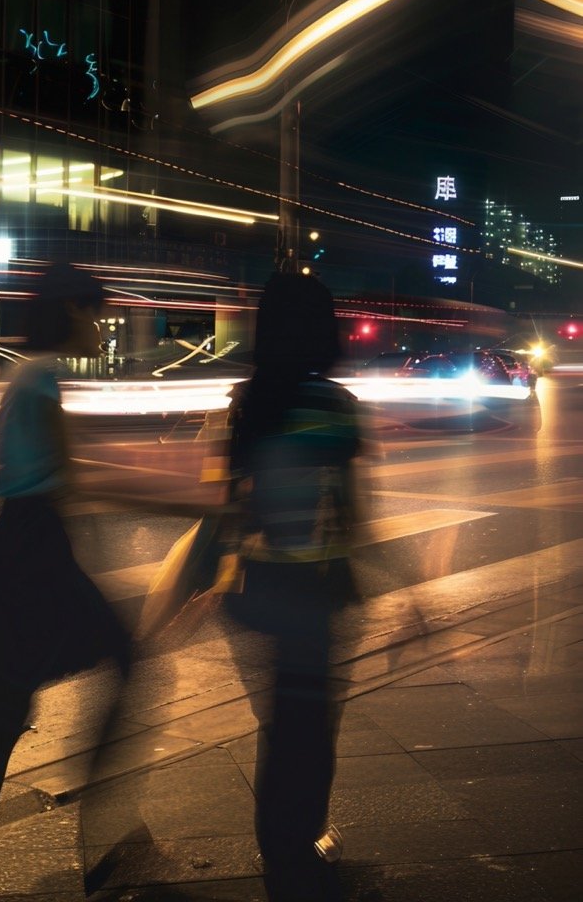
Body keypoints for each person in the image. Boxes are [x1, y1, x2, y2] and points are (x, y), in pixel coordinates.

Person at [0, 263, 131, 902]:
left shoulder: (27, 375)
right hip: (30, 558)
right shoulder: (41, 377)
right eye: (94, 313)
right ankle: (100, 837)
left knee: (0, 718)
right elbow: (70, 479)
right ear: (70, 311)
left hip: (19, 552)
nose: (100, 327)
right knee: (4, 718)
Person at [224, 272, 362, 902]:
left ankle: (279, 848)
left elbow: (232, 503)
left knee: (282, 724)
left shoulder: (248, 402)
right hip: (315, 586)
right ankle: (298, 847)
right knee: (312, 725)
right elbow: (353, 508)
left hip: (257, 587)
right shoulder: (334, 404)